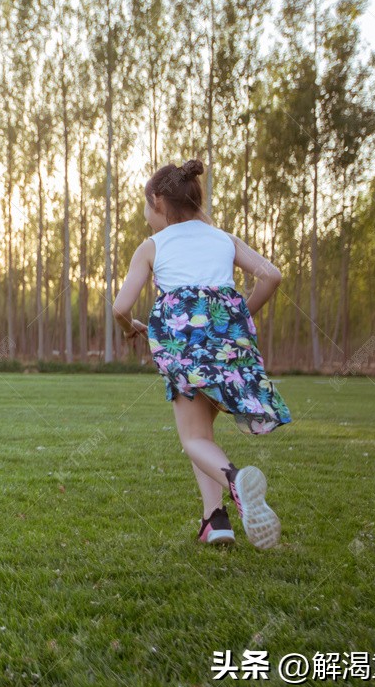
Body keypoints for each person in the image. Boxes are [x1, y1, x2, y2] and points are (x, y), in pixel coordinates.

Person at [112, 159, 291, 549]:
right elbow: (272, 275)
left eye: (146, 206)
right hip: (229, 343)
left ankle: (235, 481)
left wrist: (131, 329)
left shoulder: (153, 246)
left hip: (184, 345)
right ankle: (215, 520)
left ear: (158, 201)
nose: (146, 215)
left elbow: (120, 307)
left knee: (192, 439)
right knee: (203, 433)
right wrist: (239, 314)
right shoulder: (223, 238)